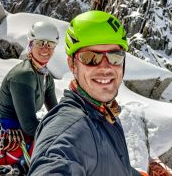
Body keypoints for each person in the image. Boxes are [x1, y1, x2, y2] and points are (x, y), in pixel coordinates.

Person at [28, 10, 145, 176]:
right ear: (72, 64)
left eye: (115, 57)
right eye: (90, 57)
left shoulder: (104, 113)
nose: (105, 67)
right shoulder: (70, 127)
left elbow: (109, 164)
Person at [0, 20, 59, 168]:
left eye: (50, 44)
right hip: (7, 143)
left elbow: (55, 113)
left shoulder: (45, 76)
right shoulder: (24, 75)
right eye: (40, 43)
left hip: (20, 138)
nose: (45, 48)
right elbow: (29, 126)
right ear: (31, 45)